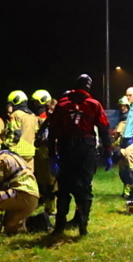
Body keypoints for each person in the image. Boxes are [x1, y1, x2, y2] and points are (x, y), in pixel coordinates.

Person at [47, 74, 111, 236]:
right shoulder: (94, 104)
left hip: (66, 148)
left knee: (64, 187)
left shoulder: (62, 104)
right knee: (85, 187)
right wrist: (108, 151)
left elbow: (53, 130)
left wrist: (52, 154)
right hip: (85, 149)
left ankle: (59, 227)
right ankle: (83, 228)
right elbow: (104, 128)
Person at [30, 90, 57, 229]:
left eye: (52, 109)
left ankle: (52, 209)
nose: (49, 112)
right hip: (42, 155)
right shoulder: (44, 121)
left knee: (52, 185)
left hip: (51, 155)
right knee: (44, 184)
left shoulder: (58, 122)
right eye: (48, 109)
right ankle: (47, 206)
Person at [5, 90, 39, 171]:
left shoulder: (16, 114)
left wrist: (9, 146)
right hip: (30, 151)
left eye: (10, 103)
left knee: (17, 177)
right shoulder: (32, 115)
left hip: (18, 152)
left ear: (15, 101)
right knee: (29, 175)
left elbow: (15, 133)